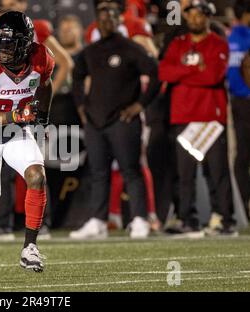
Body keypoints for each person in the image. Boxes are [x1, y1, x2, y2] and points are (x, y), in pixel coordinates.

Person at [0, 11, 54, 273]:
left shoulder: (42, 58)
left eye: (10, 43)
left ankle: (30, 248)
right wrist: (15, 114)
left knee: (37, 176)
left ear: (26, 44)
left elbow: (46, 85)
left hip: (17, 132)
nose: (2, 50)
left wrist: (44, 117)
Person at [70, 2, 159, 239]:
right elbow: (76, 75)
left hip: (123, 119)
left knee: (131, 170)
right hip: (95, 121)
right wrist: (81, 107)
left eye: (112, 16)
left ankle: (140, 219)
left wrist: (139, 105)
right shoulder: (91, 50)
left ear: (119, 20)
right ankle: (98, 220)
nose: (107, 20)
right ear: (97, 22)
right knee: (98, 173)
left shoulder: (131, 48)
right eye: (103, 17)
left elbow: (156, 73)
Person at [159, 0, 236, 235]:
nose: (195, 19)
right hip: (183, 116)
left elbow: (212, 76)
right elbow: (164, 71)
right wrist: (195, 70)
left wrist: (182, 73)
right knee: (185, 174)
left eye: (200, 15)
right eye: (191, 15)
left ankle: (224, 220)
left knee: (217, 172)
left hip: (210, 117)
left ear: (208, 17)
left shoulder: (218, 44)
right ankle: (187, 219)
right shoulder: (178, 43)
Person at [0, 0, 72, 94]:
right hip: (0, 96)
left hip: (29, 92)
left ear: (23, 4)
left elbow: (66, 62)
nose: (8, 11)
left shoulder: (38, 28)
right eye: (4, 6)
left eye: (12, 5)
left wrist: (49, 94)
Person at [227, 0, 250, 219]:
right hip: (243, 100)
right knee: (243, 154)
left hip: (237, 102)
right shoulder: (241, 36)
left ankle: (244, 204)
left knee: (242, 154)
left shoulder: (228, 37)